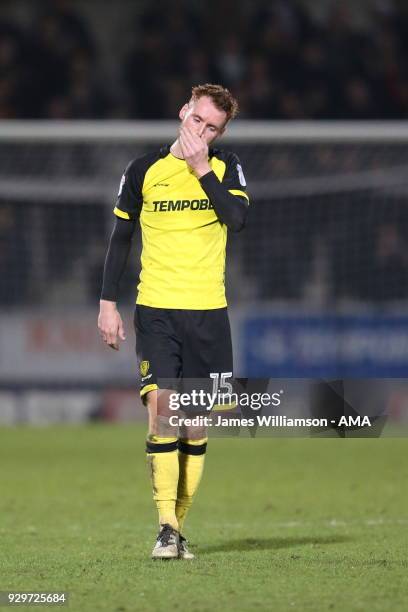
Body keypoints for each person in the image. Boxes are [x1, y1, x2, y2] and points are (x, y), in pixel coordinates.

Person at [98, 83, 249, 559]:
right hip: (157, 310)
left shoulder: (226, 168)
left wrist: (202, 169)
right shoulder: (143, 169)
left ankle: (176, 531)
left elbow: (237, 219)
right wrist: (106, 303)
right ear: (183, 110)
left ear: (221, 132)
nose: (200, 131)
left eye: (212, 127)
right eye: (197, 119)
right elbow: (121, 239)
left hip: (208, 314)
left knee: (195, 427)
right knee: (163, 413)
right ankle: (165, 527)